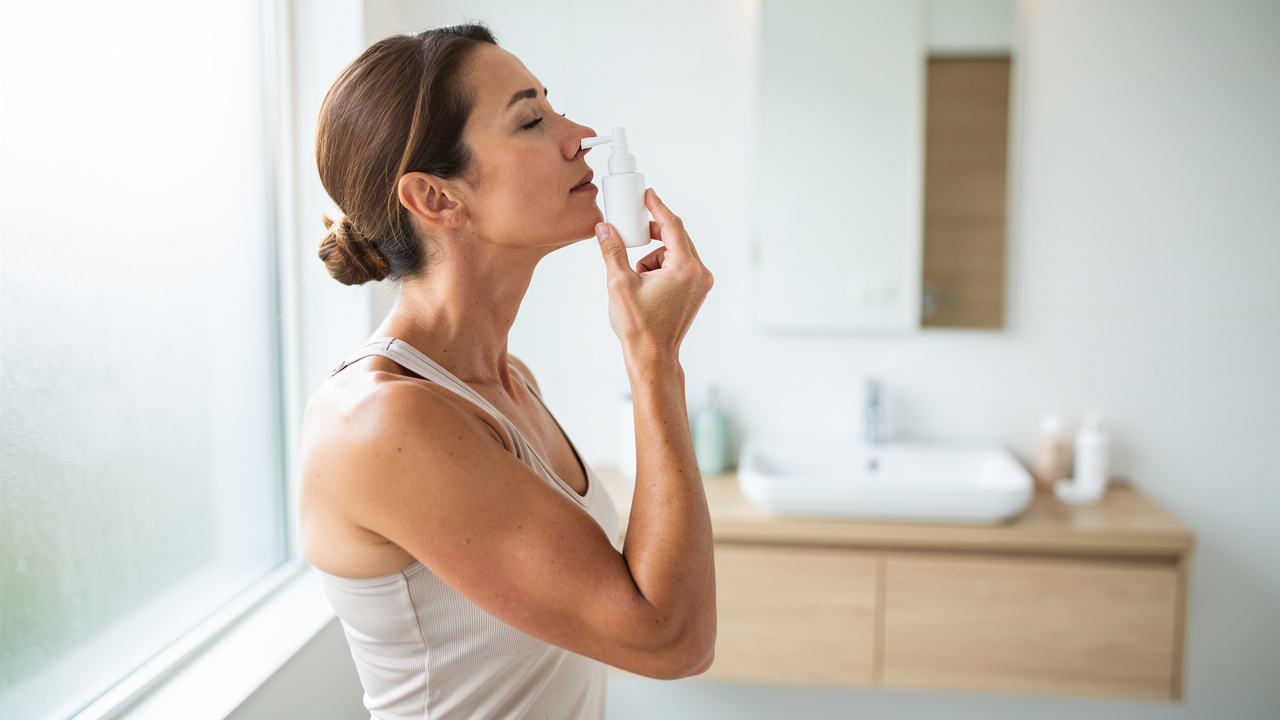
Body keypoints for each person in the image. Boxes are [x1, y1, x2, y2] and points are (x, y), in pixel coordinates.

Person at [298, 24, 716, 720]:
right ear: (436, 198)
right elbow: (670, 642)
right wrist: (654, 359)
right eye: (531, 120)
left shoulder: (509, 384)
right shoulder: (380, 422)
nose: (577, 133)